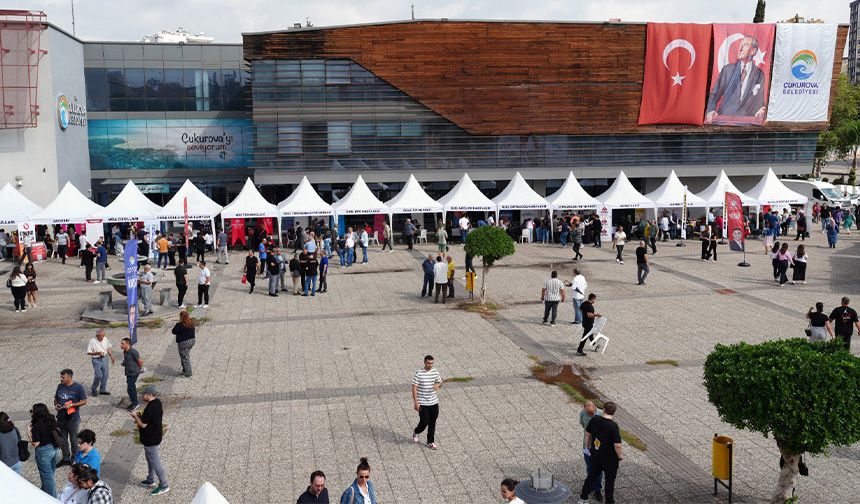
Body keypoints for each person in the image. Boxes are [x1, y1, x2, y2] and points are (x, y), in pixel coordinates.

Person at [576, 402, 623, 504]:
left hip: (596, 455)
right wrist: (619, 456)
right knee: (609, 483)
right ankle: (609, 502)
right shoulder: (613, 426)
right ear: (614, 412)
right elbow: (617, 445)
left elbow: (588, 433)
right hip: (610, 460)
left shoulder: (595, 419)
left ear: (604, 410)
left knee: (591, 477)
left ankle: (583, 498)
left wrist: (588, 447)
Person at [129, 385, 169, 496]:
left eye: (144, 394)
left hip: (151, 439)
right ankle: (150, 479)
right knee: (150, 459)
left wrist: (135, 416)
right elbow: (149, 417)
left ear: (150, 395)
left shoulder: (150, 408)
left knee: (155, 462)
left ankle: (164, 485)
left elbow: (143, 424)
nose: (143, 396)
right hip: (154, 437)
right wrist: (140, 414)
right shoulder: (157, 402)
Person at [55, 369, 87, 468]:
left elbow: (84, 401)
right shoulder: (60, 386)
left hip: (73, 418)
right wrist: (56, 405)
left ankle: (75, 458)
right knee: (62, 439)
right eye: (61, 377)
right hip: (61, 417)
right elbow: (56, 398)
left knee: (74, 439)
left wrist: (72, 405)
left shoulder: (78, 388)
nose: (61, 379)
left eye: (63, 377)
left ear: (69, 377)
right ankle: (65, 458)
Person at [28, 403, 60, 496]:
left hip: (43, 452)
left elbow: (35, 443)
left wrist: (29, 433)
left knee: (47, 476)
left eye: (32, 411)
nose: (31, 412)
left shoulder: (36, 426)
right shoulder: (51, 418)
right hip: (55, 448)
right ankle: (45, 490)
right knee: (50, 473)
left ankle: (52, 497)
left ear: (37, 413)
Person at [411, 355, 442, 449]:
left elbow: (439, 382)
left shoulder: (435, 372)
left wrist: (438, 385)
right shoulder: (419, 373)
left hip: (434, 402)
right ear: (424, 362)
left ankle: (430, 442)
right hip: (423, 403)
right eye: (428, 363)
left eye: (432, 363)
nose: (430, 365)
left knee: (432, 422)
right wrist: (416, 402)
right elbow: (414, 388)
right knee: (424, 422)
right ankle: (416, 431)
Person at [579, 401, 604, 502]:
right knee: (589, 467)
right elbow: (583, 424)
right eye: (587, 413)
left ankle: (597, 490)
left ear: (595, 408)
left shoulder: (601, 414)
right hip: (587, 447)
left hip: (598, 447)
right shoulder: (583, 413)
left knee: (598, 469)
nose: (589, 415)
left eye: (591, 413)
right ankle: (591, 484)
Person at [87, 329, 115, 397]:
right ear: (97, 335)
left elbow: (108, 348)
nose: (102, 337)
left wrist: (111, 356)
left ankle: (102, 390)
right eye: (100, 336)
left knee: (105, 374)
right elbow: (88, 352)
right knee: (99, 375)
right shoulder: (92, 341)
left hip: (105, 358)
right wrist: (98, 353)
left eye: (103, 336)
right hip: (96, 359)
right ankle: (94, 389)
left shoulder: (105, 339)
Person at [120, 338, 143, 411]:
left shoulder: (133, 351)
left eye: (122, 343)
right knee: (130, 388)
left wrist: (139, 369)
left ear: (127, 344)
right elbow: (128, 359)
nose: (121, 345)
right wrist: (124, 363)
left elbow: (140, 361)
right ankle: (133, 402)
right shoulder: (125, 351)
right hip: (128, 372)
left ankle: (135, 403)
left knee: (131, 387)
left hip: (134, 372)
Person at [172, 311, 195, 377]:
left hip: (184, 343)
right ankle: (185, 370)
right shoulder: (191, 322)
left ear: (181, 317)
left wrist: (177, 324)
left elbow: (174, 331)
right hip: (192, 341)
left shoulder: (180, 325)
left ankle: (188, 373)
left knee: (185, 357)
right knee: (185, 355)